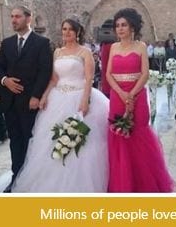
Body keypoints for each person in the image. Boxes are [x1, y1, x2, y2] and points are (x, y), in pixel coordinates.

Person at [12, 16, 108, 192]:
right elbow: (54, 78)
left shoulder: (85, 52)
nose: (67, 32)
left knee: (81, 142)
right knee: (50, 141)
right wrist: (45, 96)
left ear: (77, 32)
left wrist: (85, 101)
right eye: (64, 29)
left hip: (79, 96)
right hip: (57, 98)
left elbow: (88, 79)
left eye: (71, 29)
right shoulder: (57, 52)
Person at [106, 9, 176, 191]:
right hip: (117, 96)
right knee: (118, 135)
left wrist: (132, 94)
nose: (120, 29)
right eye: (118, 26)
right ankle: (121, 181)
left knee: (138, 133)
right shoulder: (113, 47)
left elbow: (144, 74)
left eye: (124, 25)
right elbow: (108, 74)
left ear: (132, 27)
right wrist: (121, 93)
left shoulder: (141, 46)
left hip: (137, 95)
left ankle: (141, 182)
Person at [0, 6, 53, 191]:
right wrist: (5, 81)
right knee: (15, 141)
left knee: (30, 140)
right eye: (12, 16)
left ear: (29, 19)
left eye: (17, 16)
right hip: (10, 101)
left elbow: (45, 71)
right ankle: (16, 178)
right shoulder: (7, 43)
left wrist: (36, 96)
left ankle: (32, 178)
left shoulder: (42, 43)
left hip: (30, 101)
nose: (13, 20)